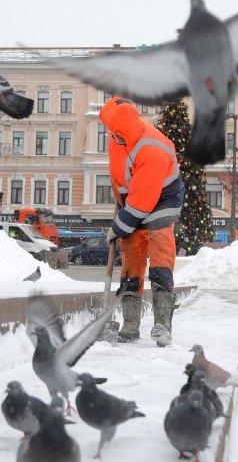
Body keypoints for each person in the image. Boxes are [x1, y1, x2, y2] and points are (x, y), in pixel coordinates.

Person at [100, 97, 186, 346]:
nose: (113, 138)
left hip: (163, 200)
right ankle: (130, 325)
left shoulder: (151, 147)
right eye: (112, 134)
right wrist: (121, 204)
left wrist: (118, 228)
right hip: (132, 200)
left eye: (117, 136)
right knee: (131, 260)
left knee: (160, 257)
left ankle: (162, 325)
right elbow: (121, 174)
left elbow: (143, 200)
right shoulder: (117, 134)